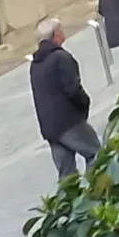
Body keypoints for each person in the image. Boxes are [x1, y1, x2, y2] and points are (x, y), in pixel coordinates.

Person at [31, 18, 98, 177]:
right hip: (69, 121)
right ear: (56, 34)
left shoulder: (36, 64)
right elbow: (73, 89)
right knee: (96, 155)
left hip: (49, 127)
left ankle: (68, 201)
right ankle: (95, 196)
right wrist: (85, 104)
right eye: (61, 30)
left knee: (66, 174)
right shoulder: (61, 58)